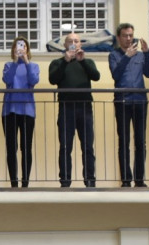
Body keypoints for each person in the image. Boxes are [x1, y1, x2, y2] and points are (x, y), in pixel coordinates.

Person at [49, 33, 99, 188]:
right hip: (66, 109)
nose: (73, 43)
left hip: (85, 109)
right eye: (70, 41)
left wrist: (82, 61)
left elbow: (96, 76)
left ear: (80, 44)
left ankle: (90, 181)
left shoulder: (87, 61)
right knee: (65, 147)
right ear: (65, 45)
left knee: (88, 147)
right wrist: (66, 60)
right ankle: (65, 181)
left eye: (76, 41)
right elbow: (53, 79)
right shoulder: (57, 62)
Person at [109, 23, 149, 187]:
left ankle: (140, 179)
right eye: (125, 36)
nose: (129, 39)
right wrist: (126, 56)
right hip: (122, 101)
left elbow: (148, 72)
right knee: (124, 141)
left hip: (140, 101)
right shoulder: (113, 55)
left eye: (131, 35)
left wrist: (147, 53)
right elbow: (116, 75)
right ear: (119, 37)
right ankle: (126, 179)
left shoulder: (141, 55)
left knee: (140, 141)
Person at [2, 36, 40, 188]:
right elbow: (8, 80)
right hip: (9, 111)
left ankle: (25, 182)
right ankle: (13, 183)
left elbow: (33, 81)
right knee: (11, 148)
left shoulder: (34, 66)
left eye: (23, 47)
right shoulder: (8, 65)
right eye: (18, 47)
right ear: (13, 50)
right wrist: (16, 63)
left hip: (27, 111)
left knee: (26, 147)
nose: (20, 49)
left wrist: (26, 61)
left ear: (27, 50)